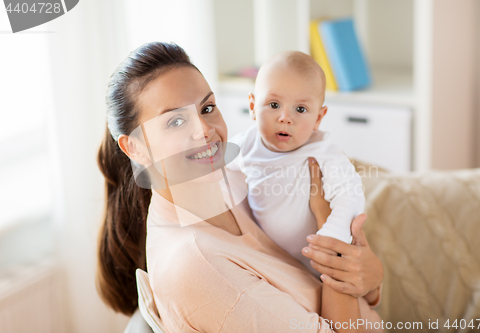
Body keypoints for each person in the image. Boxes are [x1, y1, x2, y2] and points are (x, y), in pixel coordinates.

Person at [96, 42, 384, 332]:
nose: (205, 130)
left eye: (207, 108)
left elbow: (365, 285)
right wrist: (326, 225)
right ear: (134, 148)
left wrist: (372, 278)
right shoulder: (198, 266)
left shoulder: (236, 178)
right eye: (176, 121)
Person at [228, 51, 364, 277]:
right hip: (270, 259)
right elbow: (212, 162)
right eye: (273, 104)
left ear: (318, 119)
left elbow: (351, 193)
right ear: (253, 106)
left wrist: (333, 232)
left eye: (300, 109)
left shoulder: (322, 150)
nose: (285, 117)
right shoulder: (246, 145)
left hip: (314, 262)